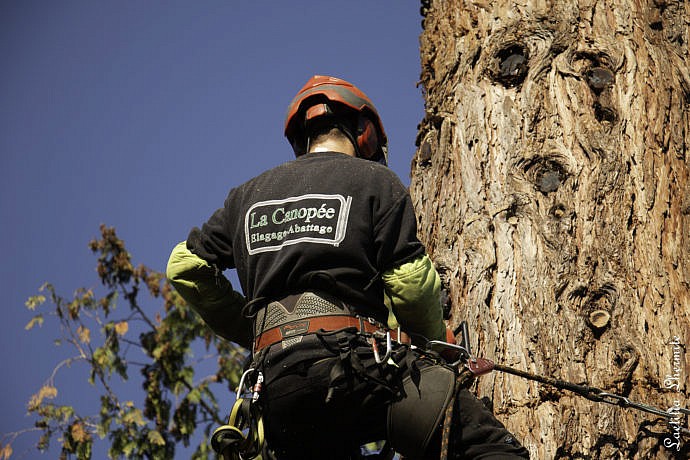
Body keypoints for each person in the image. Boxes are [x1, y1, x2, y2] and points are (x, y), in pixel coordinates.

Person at [167, 75, 529, 459]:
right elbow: (410, 283)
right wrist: (434, 344)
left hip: (278, 389)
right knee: (488, 449)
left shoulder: (245, 196)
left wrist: (258, 331)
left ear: (300, 136)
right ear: (364, 131)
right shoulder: (375, 180)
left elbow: (183, 267)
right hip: (358, 370)